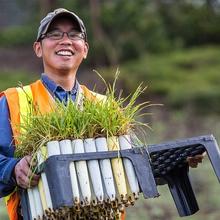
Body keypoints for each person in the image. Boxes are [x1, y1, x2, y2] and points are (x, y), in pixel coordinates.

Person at [0, 8, 203, 220]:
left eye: (74, 34)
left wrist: (176, 160)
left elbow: (133, 167)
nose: (65, 41)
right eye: (54, 34)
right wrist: (13, 170)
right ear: (38, 48)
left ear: (85, 49)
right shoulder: (15, 101)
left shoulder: (107, 107)